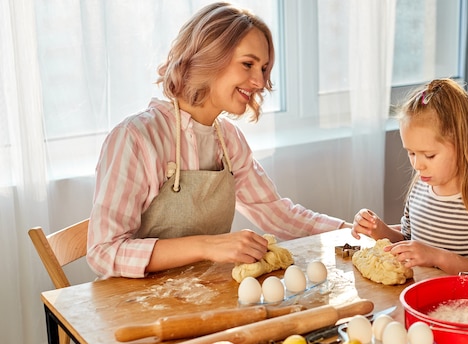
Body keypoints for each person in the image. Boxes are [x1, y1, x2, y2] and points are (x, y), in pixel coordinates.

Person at [87, 2, 348, 278]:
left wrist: (350, 231)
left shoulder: (229, 140)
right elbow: (103, 251)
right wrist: (207, 246)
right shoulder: (137, 138)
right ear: (210, 57)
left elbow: (276, 213)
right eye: (248, 64)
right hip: (136, 306)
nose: (259, 82)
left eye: (263, 68)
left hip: (204, 294)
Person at [351, 78, 468, 283]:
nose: (418, 165)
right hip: (421, 300)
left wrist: (438, 257)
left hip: (466, 309)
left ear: (464, 145)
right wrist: (379, 230)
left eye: (429, 155)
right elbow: (409, 243)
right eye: (411, 153)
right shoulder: (419, 188)